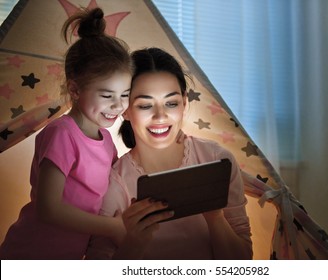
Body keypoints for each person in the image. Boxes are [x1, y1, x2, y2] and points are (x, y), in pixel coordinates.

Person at [0, 7, 147, 260]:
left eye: (124, 94)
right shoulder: (62, 134)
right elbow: (49, 209)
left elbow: (116, 188)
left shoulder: (107, 142)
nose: (118, 105)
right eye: (106, 95)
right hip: (30, 255)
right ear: (75, 90)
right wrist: (112, 227)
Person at [86, 47, 253, 260]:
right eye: (145, 105)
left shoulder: (217, 159)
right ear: (125, 109)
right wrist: (133, 244)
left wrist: (215, 218)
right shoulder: (113, 183)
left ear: (184, 102)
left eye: (171, 103)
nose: (160, 116)